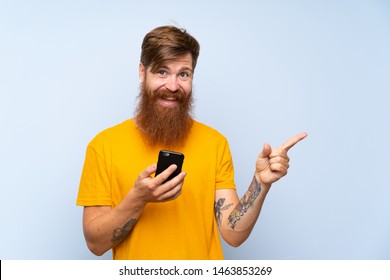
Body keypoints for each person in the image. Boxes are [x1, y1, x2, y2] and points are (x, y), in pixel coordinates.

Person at [76, 25, 307, 260]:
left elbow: (233, 234)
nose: (173, 86)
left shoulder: (215, 143)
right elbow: (95, 244)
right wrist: (138, 198)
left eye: (183, 74)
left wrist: (260, 184)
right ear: (142, 73)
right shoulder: (104, 146)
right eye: (162, 72)